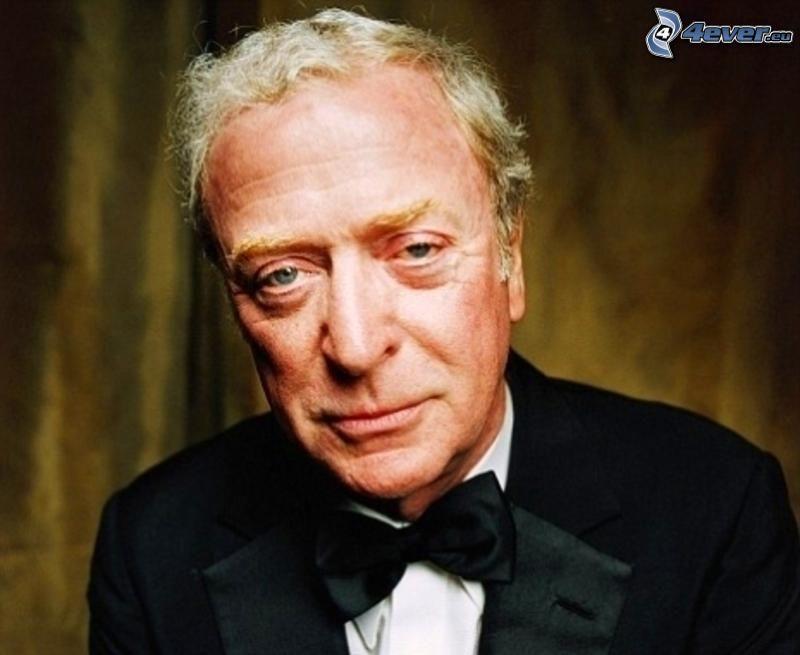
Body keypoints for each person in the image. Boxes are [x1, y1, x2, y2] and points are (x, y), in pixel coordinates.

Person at [87, 9, 799, 654]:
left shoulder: (716, 511)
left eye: (417, 250)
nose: (356, 346)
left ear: (510, 255)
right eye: (282, 275)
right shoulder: (150, 550)